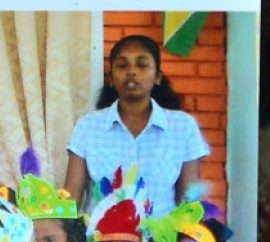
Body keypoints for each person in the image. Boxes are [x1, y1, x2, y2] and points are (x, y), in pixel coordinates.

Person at [64, 35, 209, 217]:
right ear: (110, 78)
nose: (131, 72)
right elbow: (71, 198)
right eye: (122, 65)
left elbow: (189, 200)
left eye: (142, 65)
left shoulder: (183, 126)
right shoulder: (88, 126)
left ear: (157, 77)